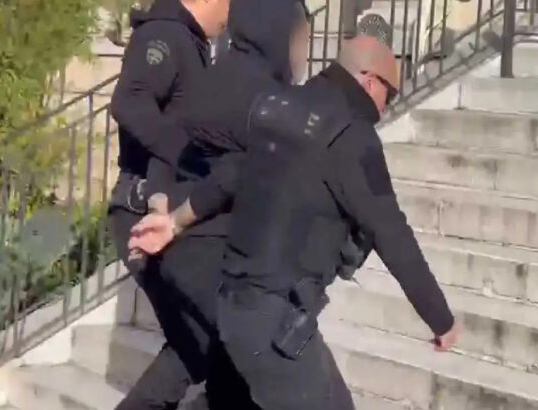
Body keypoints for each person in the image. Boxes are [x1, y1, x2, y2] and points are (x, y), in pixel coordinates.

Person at [129, 35, 459, 410]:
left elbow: (230, 176)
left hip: (233, 304)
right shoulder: (353, 136)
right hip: (275, 323)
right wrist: (441, 319)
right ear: (370, 82)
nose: (387, 107)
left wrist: (174, 222)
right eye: (390, 94)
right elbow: (391, 232)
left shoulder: (277, 105)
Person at [118, 0, 313, 408]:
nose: (232, 13)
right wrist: (180, 176)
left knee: (203, 352)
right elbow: (131, 105)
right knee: (211, 351)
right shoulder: (166, 35)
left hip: (176, 215)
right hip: (154, 213)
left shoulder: (205, 55)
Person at [107, 0, 234, 408]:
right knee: (211, 339)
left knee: (197, 344)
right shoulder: (164, 34)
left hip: (166, 212)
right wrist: (191, 158)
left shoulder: (190, 43)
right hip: (146, 210)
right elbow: (129, 102)